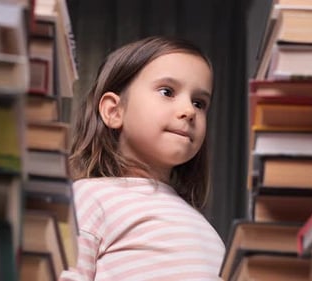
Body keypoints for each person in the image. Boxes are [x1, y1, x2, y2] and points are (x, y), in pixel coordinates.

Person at [59, 36, 225, 281]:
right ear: (114, 111)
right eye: (167, 91)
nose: (189, 111)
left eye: (199, 103)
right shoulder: (89, 197)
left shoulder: (202, 226)